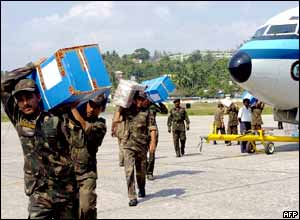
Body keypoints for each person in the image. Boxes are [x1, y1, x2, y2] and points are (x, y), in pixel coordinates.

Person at [1, 61, 82, 219]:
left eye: (29, 97)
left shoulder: (56, 116)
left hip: (65, 190)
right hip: (39, 192)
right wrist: (31, 66)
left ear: (38, 96)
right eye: (21, 99)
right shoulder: (17, 117)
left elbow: (78, 144)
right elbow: (3, 83)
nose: (25, 103)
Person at [70, 94, 108, 219]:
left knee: (87, 208)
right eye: (90, 105)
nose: (91, 109)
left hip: (87, 174)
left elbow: (86, 128)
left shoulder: (100, 125)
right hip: (68, 173)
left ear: (101, 109)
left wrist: (73, 109)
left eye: (96, 107)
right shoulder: (72, 118)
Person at [117, 91, 157, 207]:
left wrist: (153, 143)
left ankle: (142, 187)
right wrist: (120, 104)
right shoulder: (127, 110)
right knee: (129, 171)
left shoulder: (147, 112)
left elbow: (152, 128)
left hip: (142, 145)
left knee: (141, 172)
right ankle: (132, 196)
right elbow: (116, 118)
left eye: (142, 99)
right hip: (128, 145)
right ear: (134, 100)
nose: (140, 101)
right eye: (138, 99)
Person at [142, 98, 168, 181]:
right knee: (143, 154)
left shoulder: (153, 106)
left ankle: (150, 173)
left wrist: (159, 102)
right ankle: (145, 170)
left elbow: (165, 112)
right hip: (142, 132)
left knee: (152, 152)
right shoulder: (140, 105)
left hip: (153, 132)